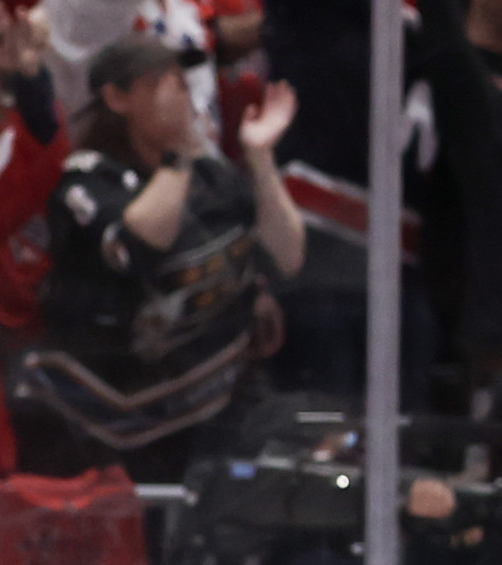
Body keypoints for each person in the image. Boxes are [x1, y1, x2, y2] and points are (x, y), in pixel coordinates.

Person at [22, 31, 307, 470]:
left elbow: (287, 255)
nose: (183, 94)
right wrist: (178, 154)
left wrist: (260, 156)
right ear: (116, 99)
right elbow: (138, 245)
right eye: (161, 82)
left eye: (183, 81)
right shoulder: (89, 182)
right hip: (123, 428)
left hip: (223, 408)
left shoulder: (209, 174)